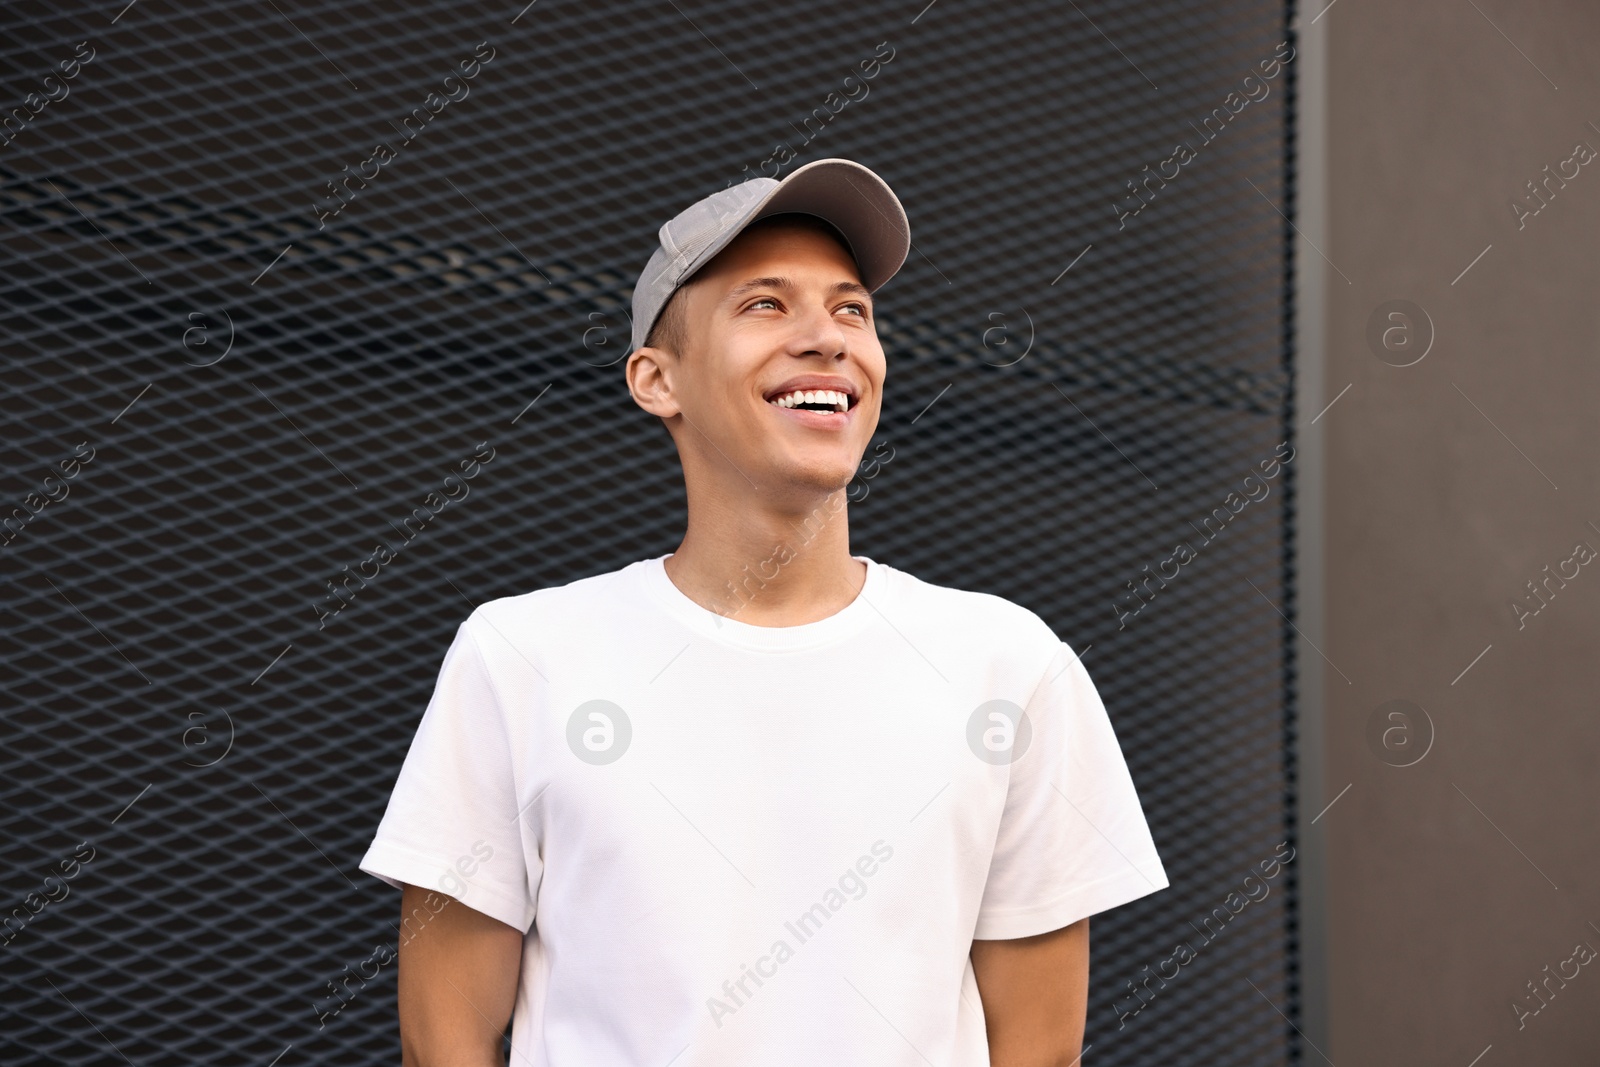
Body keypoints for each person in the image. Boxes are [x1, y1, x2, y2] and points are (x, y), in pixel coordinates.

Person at [359, 157, 1168, 1066]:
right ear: (656, 379)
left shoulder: (1010, 665)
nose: (828, 337)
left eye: (851, 308)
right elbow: (446, 1037)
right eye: (765, 304)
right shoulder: (520, 655)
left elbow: (1039, 1048)